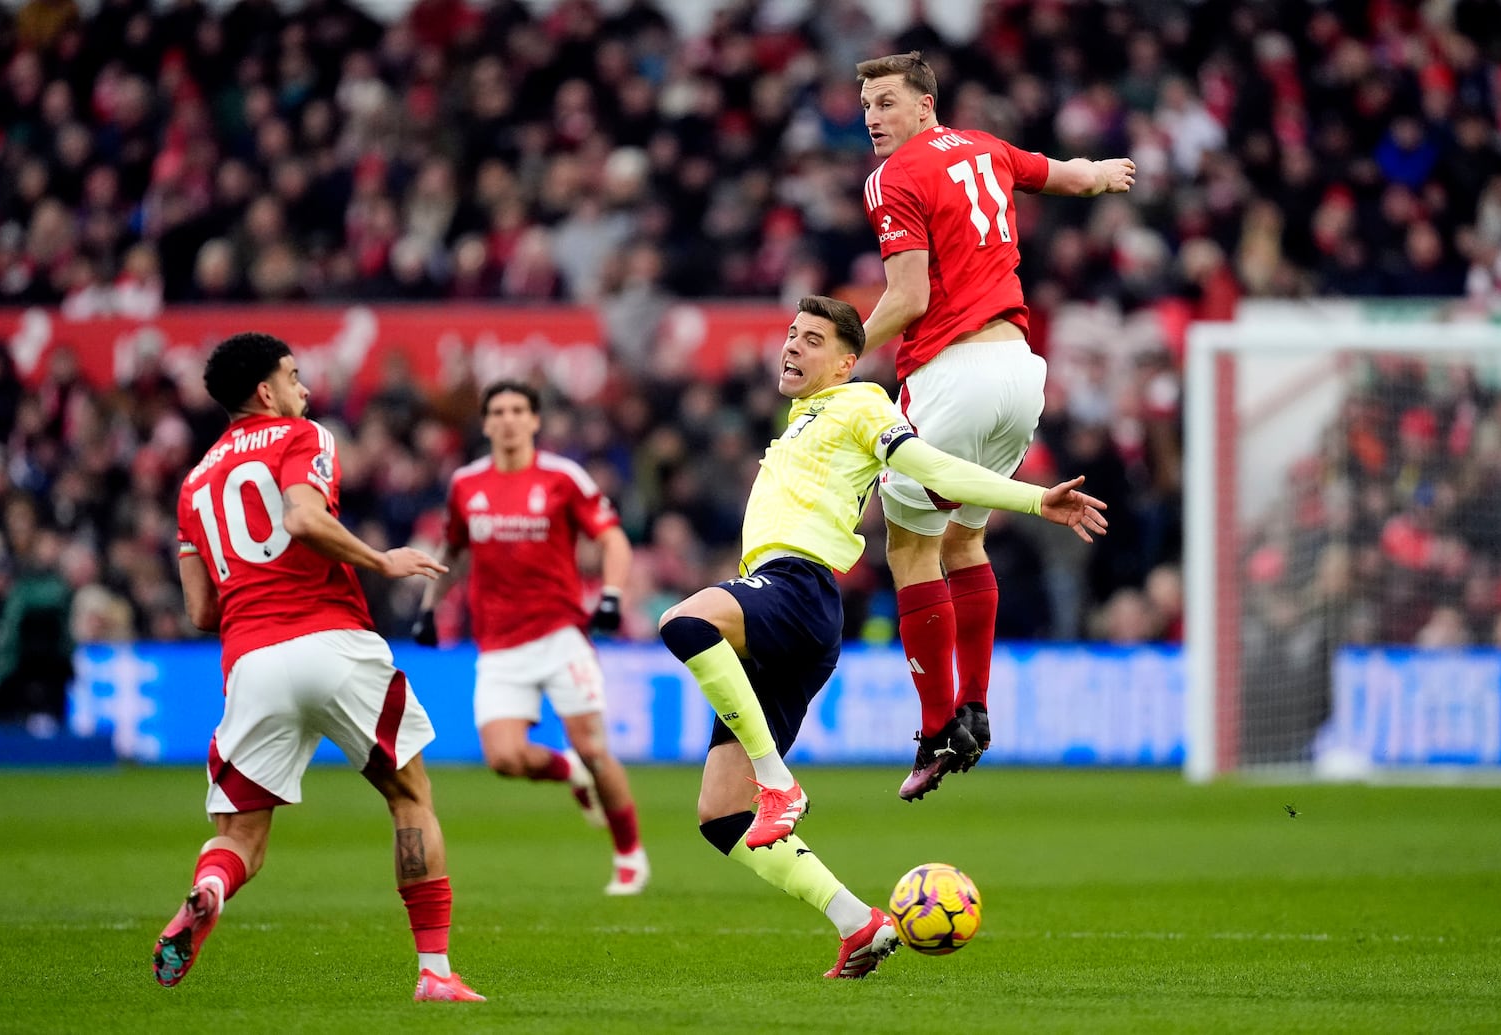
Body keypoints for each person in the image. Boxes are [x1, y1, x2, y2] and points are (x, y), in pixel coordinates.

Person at [658, 296, 1105, 978]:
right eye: (790, 335)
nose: (791, 348)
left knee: (684, 621)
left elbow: (935, 470)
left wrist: (1031, 498)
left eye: (811, 341)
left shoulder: (864, 404)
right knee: (722, 814)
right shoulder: (803, 417)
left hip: (798, 592)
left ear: (845, 360)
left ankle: (780, 785)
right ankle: (857, 921)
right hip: (785, 615)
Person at [159, 332, 485, 1003]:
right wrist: (381, 559)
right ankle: (434, 971)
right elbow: (304, 518)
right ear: (264, 392)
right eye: (293, 374)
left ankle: (210, 889)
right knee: (409, 796)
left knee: (242, 835)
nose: (302, 388)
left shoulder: (192, 485)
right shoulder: (300, 435)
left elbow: (199, 609)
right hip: (333, 641)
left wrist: (258, 598)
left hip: (250, 659)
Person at [856, 51, 1135, 797]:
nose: (874, 118)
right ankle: (975, 703)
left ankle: (937, 723)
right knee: (966, 538)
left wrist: (843, 352)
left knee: (909, 547)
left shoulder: (893, 177)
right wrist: (1103, 173)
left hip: (951, 371)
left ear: (924, 106)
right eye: (867, 106)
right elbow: (1064, 173)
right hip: (1019, 374)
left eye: (887, 102)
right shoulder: (984, 147)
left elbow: (909, 296)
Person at [412, 380, 648, 895]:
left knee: (595, 747)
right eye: (499, 411)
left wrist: (610, 594)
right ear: (487, 423)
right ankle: (569, 773)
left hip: (561, 634)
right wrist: (429, 607)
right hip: (498, 642)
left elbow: (611, 537)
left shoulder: (564, 478)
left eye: (520, 409)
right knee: (504, 759)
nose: (510, 418)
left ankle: (629, 853)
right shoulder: (466, 484)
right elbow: (452, 549)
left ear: (535, 420)